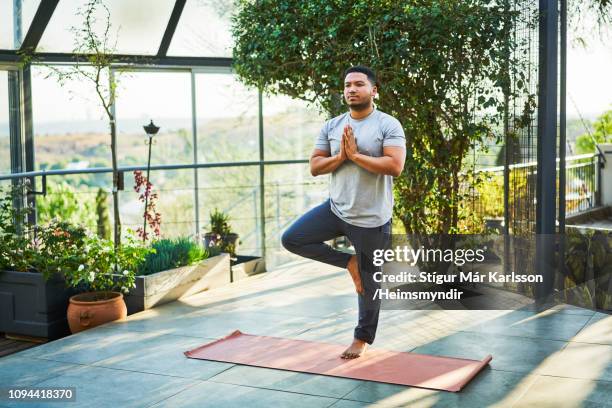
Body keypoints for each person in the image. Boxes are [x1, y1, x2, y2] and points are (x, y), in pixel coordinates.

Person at [281, 65, 406, 359]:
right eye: (348, 85)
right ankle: (348, 261)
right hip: (335, 209)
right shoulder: (332, 125)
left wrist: (356, 156)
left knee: (369, 282)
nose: (351, 89)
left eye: (359, 84)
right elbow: (315, 167)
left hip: (372, 218)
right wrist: (340, 157)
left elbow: (394, 166)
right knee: (292, 238)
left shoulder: (388, 125)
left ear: (373, 91)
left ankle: (361, 340)